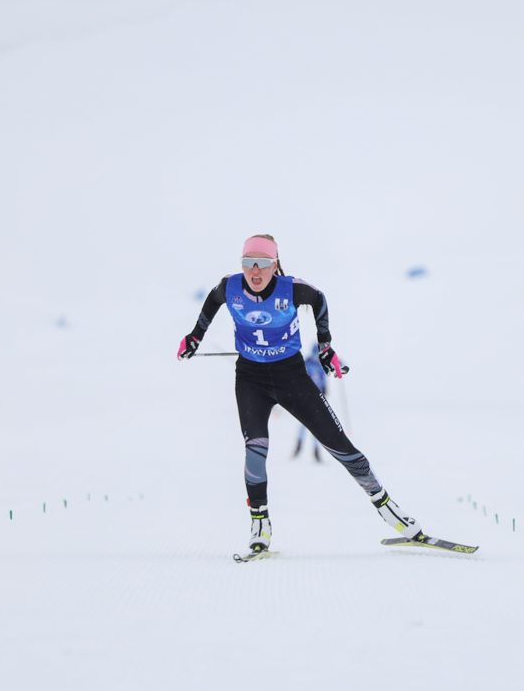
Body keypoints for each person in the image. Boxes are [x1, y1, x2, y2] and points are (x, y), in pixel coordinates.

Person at [177, 234, 424, 555]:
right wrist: (194, 337)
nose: (255, 270)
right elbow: (212, 301)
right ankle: (260, 525)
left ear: (275, 264)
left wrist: (325, 348)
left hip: (291, 377)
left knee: (340, 445)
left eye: (263, 263)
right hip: (250, 379)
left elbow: (319, 300)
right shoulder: (230, 287)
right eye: (248, 262)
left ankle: (394, 515)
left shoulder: (292, 289)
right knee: (255, 448)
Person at [292, 346, 326, 462]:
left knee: (318, 425)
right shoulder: (307, 362)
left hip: (318, 397)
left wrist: (325, 390)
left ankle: (316, 452)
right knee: (304, 423)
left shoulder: (321, 364)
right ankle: (298, 448)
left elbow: (324, 379)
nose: (316, 358)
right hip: (306, 396)